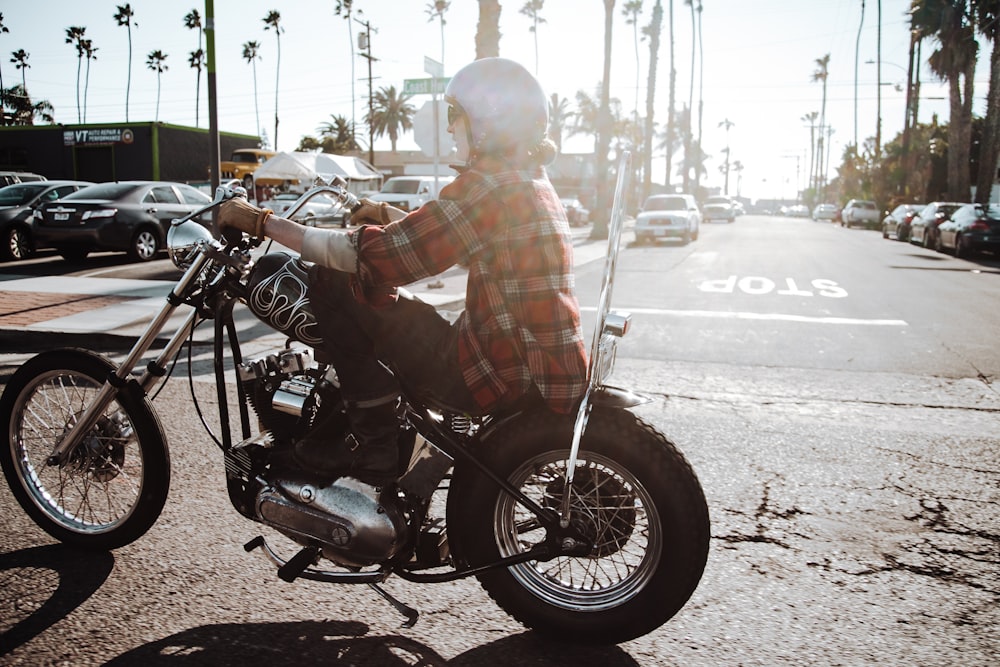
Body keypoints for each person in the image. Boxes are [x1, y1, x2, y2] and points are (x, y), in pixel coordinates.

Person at [217, 57, 588, 484]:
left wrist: (262, 223)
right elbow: (462, 238)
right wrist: (386, 213)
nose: (450, 128)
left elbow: (385, 258)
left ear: (486, 122)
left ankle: (372, 440)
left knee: (332, 277)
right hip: (528, 365)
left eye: (455, 115)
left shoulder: (490, 187)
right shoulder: (529, 183)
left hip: (484, 373)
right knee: (392, 303)